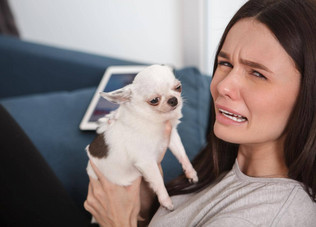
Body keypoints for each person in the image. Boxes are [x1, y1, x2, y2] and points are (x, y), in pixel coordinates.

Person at [84, 0, 316, 226]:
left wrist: (118, 222)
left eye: (257, 74)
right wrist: (142, 206)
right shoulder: (219, 165)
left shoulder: (262, 216)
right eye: (225, 63)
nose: (223, 86)